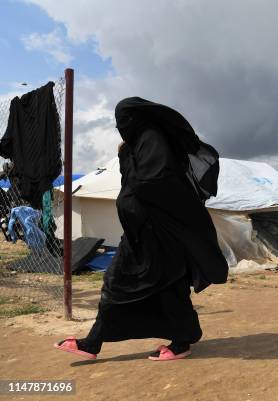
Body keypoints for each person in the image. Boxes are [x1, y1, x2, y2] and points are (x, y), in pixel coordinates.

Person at [54, 97, 228, 361]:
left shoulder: (153, 139)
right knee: (161, 286)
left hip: (159, 233)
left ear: (135, 119)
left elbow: (153, 181)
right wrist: (126, 155)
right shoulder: (140, 143)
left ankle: (96, 343)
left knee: (142, 284)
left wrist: (126, 156)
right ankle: (181, 337)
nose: (120, 127)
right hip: (141, 234)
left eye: (123, 121)